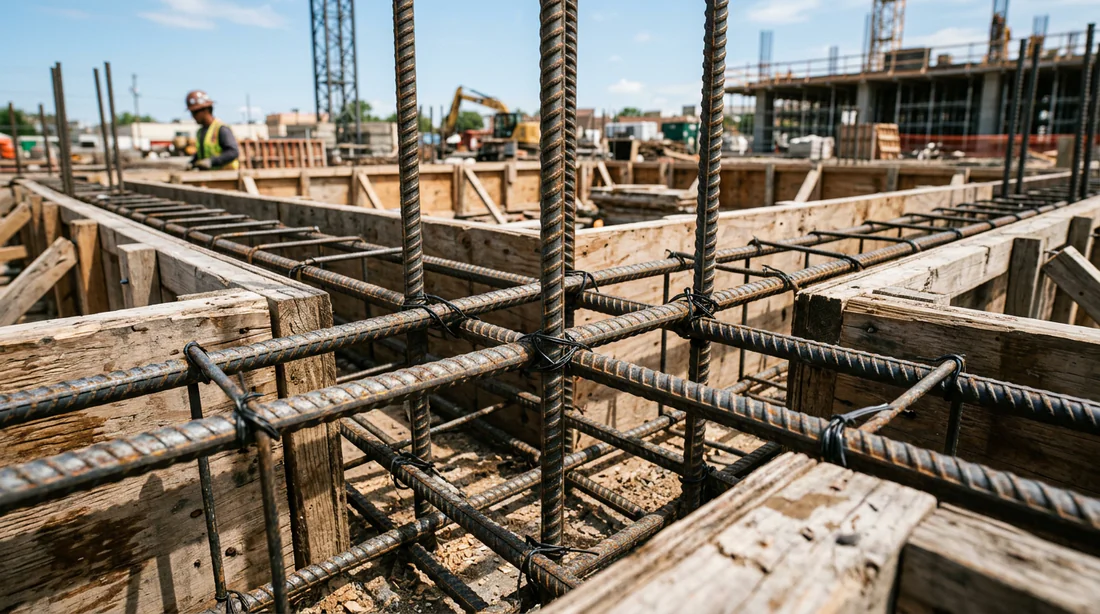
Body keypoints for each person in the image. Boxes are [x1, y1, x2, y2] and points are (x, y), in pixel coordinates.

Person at [185, 90, 239, 170]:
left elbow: (233, 152)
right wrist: (193, 162)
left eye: (194, 113)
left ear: (205, 110)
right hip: (210, 177)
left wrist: (212, 161)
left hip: (226, 177)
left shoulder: (221, 129)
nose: (193, 117)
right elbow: (202, 153)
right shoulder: (201, 132)